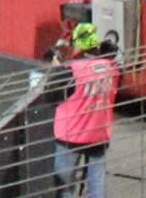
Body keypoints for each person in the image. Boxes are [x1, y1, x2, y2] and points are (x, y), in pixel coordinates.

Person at [53, 19, 120, 198]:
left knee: (65, 186)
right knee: (97, 185)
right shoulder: (112, 68)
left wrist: (56, 70)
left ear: (78, 43)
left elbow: (50, 96)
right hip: (99, 134)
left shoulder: (70, 70)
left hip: (71, 135)